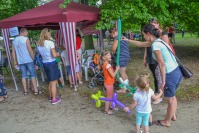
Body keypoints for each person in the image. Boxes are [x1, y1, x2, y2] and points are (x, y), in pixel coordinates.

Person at [124, 24, 182, 127]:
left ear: (148, 34)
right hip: (177, 71)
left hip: (170, 74)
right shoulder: (158, 41)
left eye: (144, 35)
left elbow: (161, 63)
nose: (144, 37)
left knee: (171, 99)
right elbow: (140, 44)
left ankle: (166, 121)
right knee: (173, 97)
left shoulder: (155, 45)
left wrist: (163, 80)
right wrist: (127, 40)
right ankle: (172, 115)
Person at [12, 28, 39, 95]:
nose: (27, 34)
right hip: (28, 59)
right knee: (33, 74)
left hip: (20, 61)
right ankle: (35, 90)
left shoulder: (14, 40)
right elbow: (29, 49)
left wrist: (15, 61)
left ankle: (25, 91)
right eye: (27, 33)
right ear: (24, 32)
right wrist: (33, 57)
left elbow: (13, 52)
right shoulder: (26, 39)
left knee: (23, 75)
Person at [38, 28, 61, 105]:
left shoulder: (39, 44)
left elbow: (40, 55)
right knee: (54, 82)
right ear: (46, 34)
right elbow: (54, 55)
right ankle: (54, 99)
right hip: (51, 63)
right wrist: (58, 53)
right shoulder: (50, 43)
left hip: (45, 63)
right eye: (49, 33)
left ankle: (51, 96)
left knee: (50, 82)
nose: (50, 34)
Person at [144, 18, 163, 104]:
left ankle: (159, 95)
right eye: (151, 24)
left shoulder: (159, 35)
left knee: (158, 78)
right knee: (155, 77)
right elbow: (145, 46)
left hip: (156, 60)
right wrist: (145, 58)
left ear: (157, 25)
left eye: (154, 24)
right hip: (150, 59)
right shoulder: (149, 36)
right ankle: (156, 93)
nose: (153, 26)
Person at [109, 27, 130, 93]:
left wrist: (113, 50)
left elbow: (113, 48)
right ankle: (127, 87)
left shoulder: (117, 37)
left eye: (112, 34)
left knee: (122, 72)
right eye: (111, 35)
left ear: (115, 31)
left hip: (122, 56)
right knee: (123, 71)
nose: (112, 36)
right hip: (126, 55)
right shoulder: (122, 37)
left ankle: (124, 89)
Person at [101, 50, 120, 115]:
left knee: (111, 95)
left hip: (108, 82)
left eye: (110, 55)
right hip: (108, 83)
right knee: (108, 97)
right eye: (108, 55)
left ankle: (111, 107)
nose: (110, 56)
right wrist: (117, 69)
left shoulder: (105, 64)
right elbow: (113, 75)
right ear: (104, 57)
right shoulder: (108, 65)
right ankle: (106, 110)